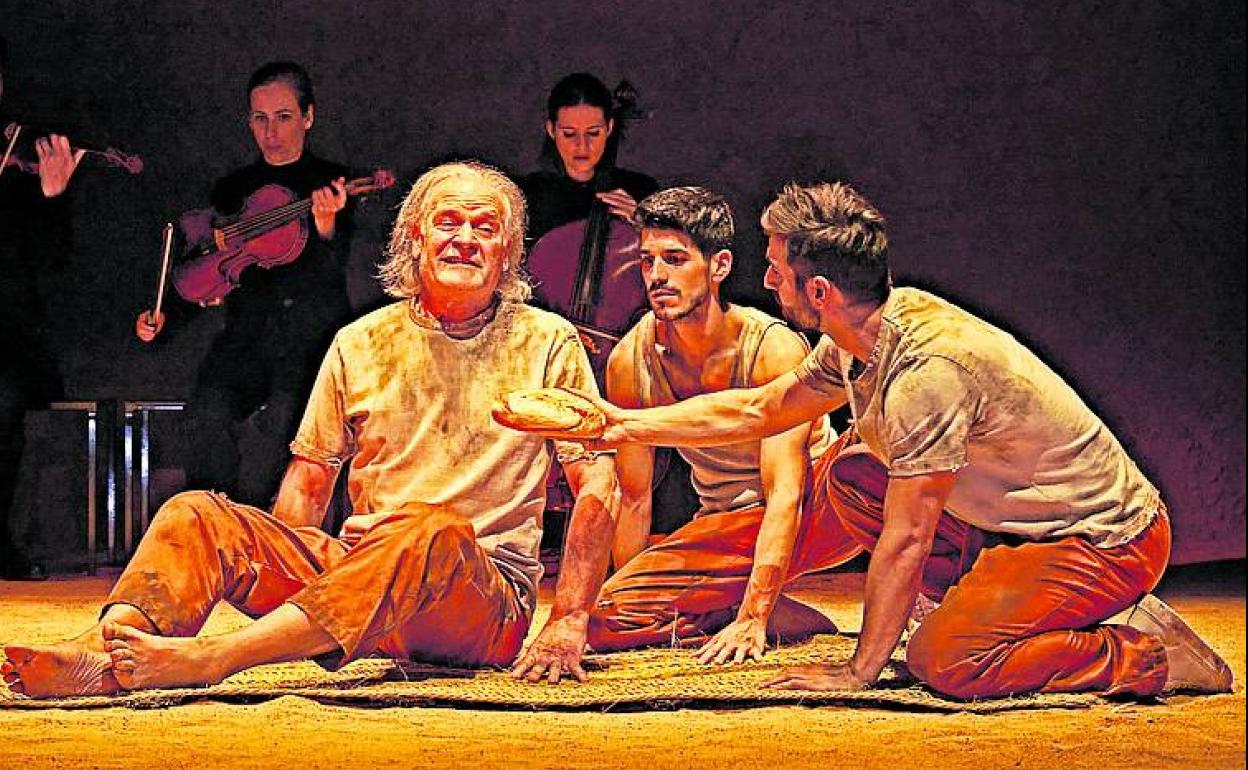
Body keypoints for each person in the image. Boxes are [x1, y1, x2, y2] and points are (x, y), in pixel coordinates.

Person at [580, 180, 1233, 698]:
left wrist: (860, 669)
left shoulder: (927, 374)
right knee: (854, 475)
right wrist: (618, 423)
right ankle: (994, 605)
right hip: (1014, 529)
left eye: (776, 269)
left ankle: (1145, 653)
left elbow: (908, 537)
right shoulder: (858, 336)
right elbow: (763, 407)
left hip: (1105, 540)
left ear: (819, 290)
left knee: (944, 661)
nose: (768, 280)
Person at [1, 161, 618, 698]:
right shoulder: (360, 341)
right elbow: (310, 477)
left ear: (509, 252)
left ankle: (215, 658)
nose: (465, 240)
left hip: (478, 603)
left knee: (428, 528)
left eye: (485, 228)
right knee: (195, 515)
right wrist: (291, 573)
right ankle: (105, 651)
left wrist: (568, 619)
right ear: (414, 237)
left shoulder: (547, 340)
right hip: (361, 583)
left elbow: (597, 484)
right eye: (448, 222)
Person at [587, 187, 862, 663]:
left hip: (818, 510)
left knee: (879, 443)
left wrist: (754, 617)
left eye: (675, 260)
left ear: (719, 266)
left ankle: (751, 607)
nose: (657, 275)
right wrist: (635, 589)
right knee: (604, 620)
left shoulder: (771, 347)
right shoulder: (631, 359)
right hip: (724, 527)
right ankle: (747, 611)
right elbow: (634, 496)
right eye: (648, 261)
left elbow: (785, 493)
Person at [135, 61, 364, 508]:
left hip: (310, 345)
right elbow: (211, 269)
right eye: (260, 118)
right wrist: (163, 317)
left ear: (308, 117)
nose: (270, 132)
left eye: (283, 117)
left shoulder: (334, 184)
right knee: (204, 417)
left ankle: (268, 534)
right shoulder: (234, 188)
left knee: (280, 433)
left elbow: (335, 277)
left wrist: (325, 228)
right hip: (246, 338)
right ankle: (219, 526)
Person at [519, 72, 694, 544]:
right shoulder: (530, 197)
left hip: (621, 353)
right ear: (550, 130)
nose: (582, 147)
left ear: (610, 129)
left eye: (594, 134)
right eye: (569, 134)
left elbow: (675, 269)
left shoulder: (640, 190)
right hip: (545, 350)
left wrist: (645, 224)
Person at [1, 33, 86, 579]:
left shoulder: (20, 163)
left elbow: (53, 263)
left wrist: (53, 197)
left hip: (7, 332)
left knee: (4, 398)